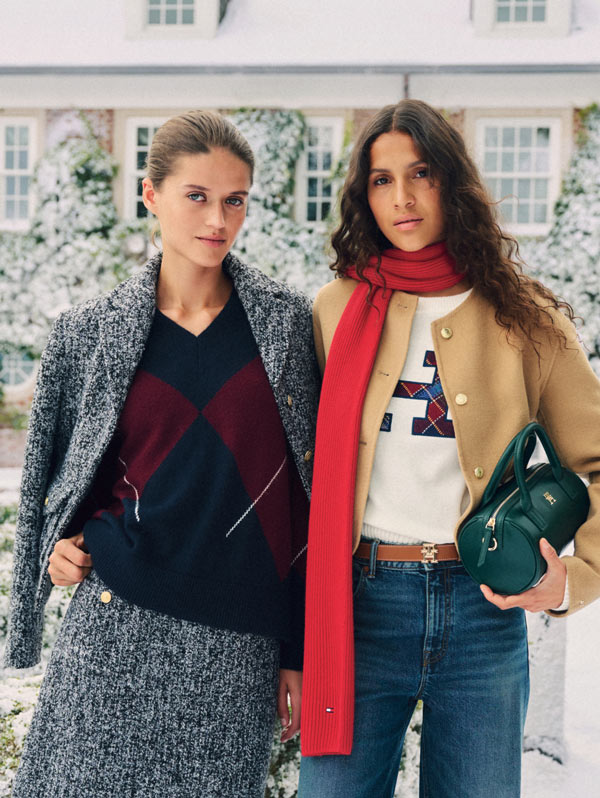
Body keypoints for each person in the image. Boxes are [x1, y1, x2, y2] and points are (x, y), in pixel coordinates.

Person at [5, 110, 319, 798]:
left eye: (235, 199)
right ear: (151, 195)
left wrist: (298, 651)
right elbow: (54, 486)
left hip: (237, 645)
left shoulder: (289, 325)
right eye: (197, 196)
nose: (218, 219)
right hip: (113, 623)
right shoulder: (87, 331)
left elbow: (304, 501)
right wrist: (57, 550)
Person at [299, 99, 600, 798]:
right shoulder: (334, 307)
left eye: (421, 173)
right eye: (380, 180)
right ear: (361, 195)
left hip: (482, 608)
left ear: (453, 183)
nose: (401, 197)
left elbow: (594, 460)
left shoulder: (529, 319)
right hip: (361, 608)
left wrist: (573, 583)